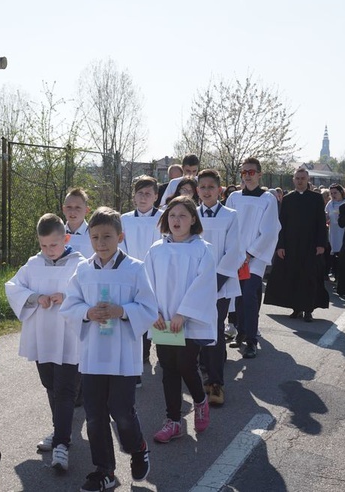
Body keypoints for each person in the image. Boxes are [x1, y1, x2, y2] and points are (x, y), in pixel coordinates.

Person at [60, 207, 158, 492]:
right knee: (94, 414)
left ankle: (137, 447)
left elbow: (149, 308)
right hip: (92, 354)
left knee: (122, 411)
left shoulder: (135, 268)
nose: (101, 243)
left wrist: (122, 311)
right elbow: (70, 305)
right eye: (95, 237)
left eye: (107, 237)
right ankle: (104, 470)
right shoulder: (82, 270)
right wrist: (87, 313)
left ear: (120, 236)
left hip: (123, 354)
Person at [4, 213, 86, 473]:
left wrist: (68, 296)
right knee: (50, 384)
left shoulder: (80, 264)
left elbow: (90, 292)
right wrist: (35, 297)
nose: (49, 250)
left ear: (66, 239)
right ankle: (59, 430)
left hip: (70, 337)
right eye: (43, 245)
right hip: (43, 336)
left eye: (54, 244)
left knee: (64, 390)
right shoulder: (33, 264)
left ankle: (62, 443)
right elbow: (13, 286)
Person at [143, 196, 216, 443]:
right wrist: (154, 312)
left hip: (189, 319)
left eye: (183, 215)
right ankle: (173, 421)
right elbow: (146, 283)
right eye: (172, 215)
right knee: (168, 368)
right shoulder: (156, 250)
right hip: (163, 320)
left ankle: (200, 400)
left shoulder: (202, 249)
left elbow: (204, 284)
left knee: (186, 365)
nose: (176, 220)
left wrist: (183, 313)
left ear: (193, 220)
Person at [195, 169, 244, 406]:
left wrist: (214, 283)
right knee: (197, 330)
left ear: (220, 190)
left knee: (214, 329)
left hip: (219, 286)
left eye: (210, 187)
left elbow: (234, 251)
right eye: (202, 187)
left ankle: (216, 383)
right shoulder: (190, 216)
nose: (206, 191)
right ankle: (204, 374)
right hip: (194, 285)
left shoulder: (230, 215)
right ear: (197, 191)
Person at [224, 157, 281, 359]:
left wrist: (249, 254)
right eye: (244, 172)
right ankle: (240, 332)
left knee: (249, 295)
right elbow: (228, 225)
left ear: (259, 174)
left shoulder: (268, 199)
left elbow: (269, 231)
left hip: (255, 257)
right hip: (235, 254)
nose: (247, 176)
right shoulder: (233, 198)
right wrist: (234, 252)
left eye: (251, 172)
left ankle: (251, 341)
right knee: (237, 295)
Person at [263, 168, 329, 322]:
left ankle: (308, 309)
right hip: (292, 245)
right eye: (297, 178)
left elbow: (321, 222)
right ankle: (296, 308)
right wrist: (281, 245)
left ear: (308, 180)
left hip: (311, 245)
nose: (300, 181)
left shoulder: (316, 198)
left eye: (303, 178)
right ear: (293, 180)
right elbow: (282, 224)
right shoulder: (288, 199)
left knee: (309, 277)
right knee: (293, 276)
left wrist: (321, 244)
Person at [120, 175, 164, 372]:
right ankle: (142, 353)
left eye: (148, 193)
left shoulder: (164, 218)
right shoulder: (125, 219)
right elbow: (122, 247)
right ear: (134, 197)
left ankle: (164, 352)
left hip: (159, 275)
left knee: (160, 312)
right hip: (133, 275)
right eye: (140, 193)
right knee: (138, 313)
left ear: (156, 196)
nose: (144, 197)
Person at [63, 187, 94, 258]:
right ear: (63, 209)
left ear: (87, 210)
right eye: (69, 207)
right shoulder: (56, 234)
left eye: (77, 207)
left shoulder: (94, 235)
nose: (73, 211)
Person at [325, 184, 345, 280]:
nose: (333, 195)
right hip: (333, 231)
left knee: (344, 254)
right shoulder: (330, 203)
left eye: (335, 193)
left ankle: (342, 277)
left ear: (341, 192)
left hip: (344, 231)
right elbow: (326, 216)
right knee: (334, 254)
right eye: (331, 193)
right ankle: (336, 275)